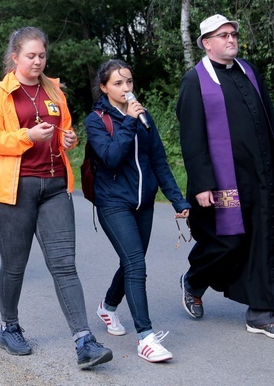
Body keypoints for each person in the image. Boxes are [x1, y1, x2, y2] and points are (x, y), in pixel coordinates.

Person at [0, 27, 112, 369]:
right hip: (14, 188)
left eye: (41, 56)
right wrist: (27, 135)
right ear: (15, 57)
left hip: (54, 186)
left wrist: (68, 140)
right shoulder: (0, 93)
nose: (37, 62)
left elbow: (66, 129)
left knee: (64, 265)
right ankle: (9, 326)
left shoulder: (54, 89)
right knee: (14, 265)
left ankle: (84, 341)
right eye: (30, 56)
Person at [176, 14, 274, 340]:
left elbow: (270, 119)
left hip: (262, 176)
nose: (231, 39)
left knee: (265, 240)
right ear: (206, 42)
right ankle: (194, 280)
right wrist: (202, 183)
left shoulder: (249, 72)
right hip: (223, 181)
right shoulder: (196, 80)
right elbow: (192, 138)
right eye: (223, 35)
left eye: (233, 34)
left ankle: (261, 313)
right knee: (227, 241)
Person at [85, 60, 190, 363]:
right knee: (135, 263)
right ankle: (145, 337)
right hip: (112, 202)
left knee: (133, 261)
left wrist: (178, 200)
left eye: (129, 82)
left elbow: (159, 161)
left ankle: (107, 305)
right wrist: (129, 122)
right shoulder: (96, 120)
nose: (126, 88)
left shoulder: (145, 117)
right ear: (104, 87)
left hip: (143, 202)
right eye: (118, 83)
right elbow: (110, 157)